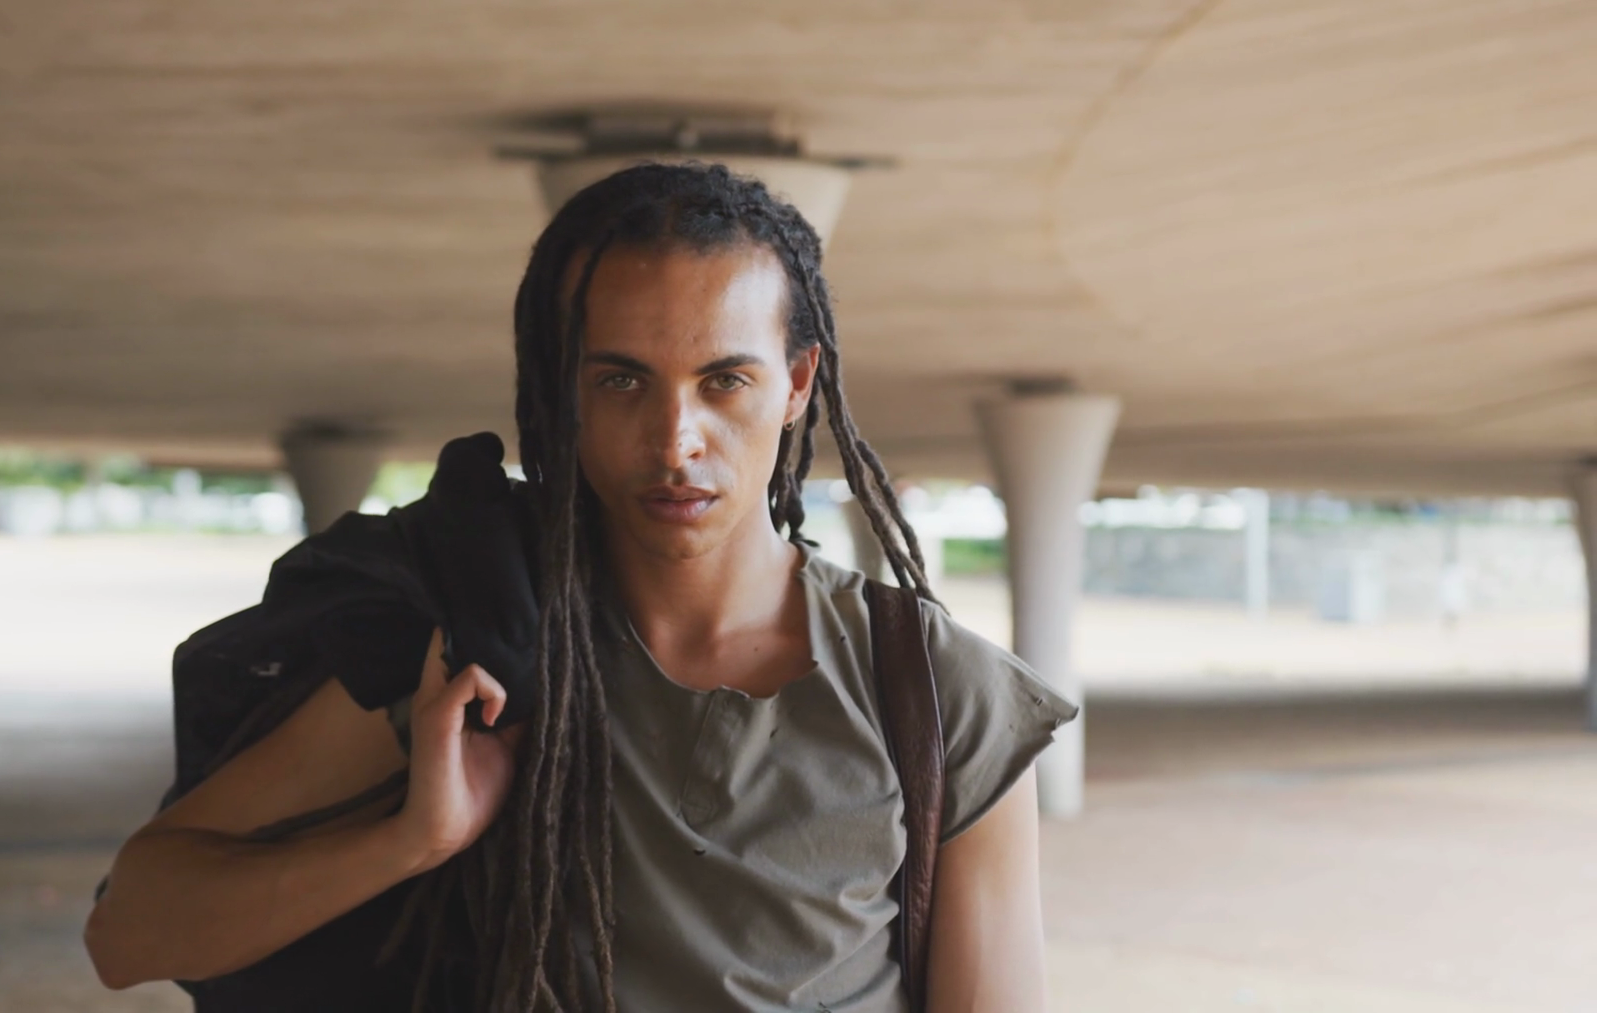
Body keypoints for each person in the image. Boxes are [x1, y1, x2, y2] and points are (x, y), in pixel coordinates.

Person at [85, 163, 1078, 1012]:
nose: (674, 440)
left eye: (724, 380)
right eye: (622, 380)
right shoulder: (475, 640)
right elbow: (127, 932)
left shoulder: (938, 691)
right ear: (563, 389)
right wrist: (412, 838)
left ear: (797, 383)